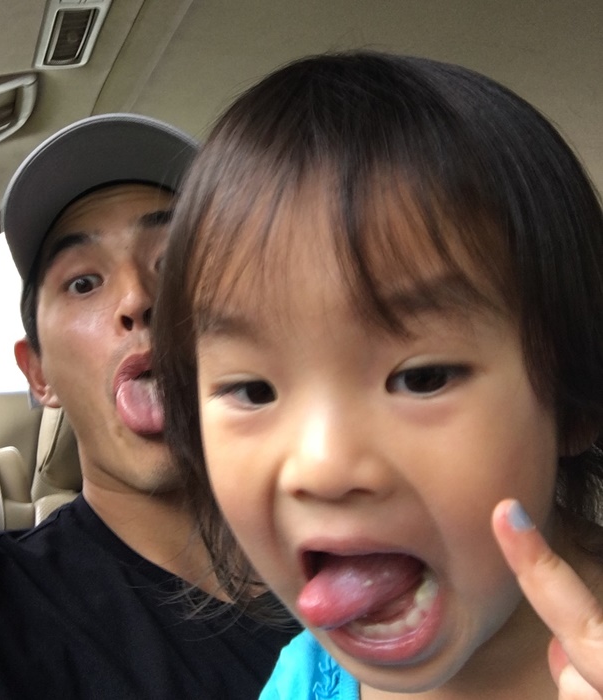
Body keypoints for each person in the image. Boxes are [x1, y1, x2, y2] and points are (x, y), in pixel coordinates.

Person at [153, 53, 603, 699]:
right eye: (252, 391)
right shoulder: (300, 683)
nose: (323, 468)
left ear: (574, 396)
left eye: (423, 378)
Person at [0, 113, 296, 699]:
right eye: (83, 283)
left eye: (175, 263)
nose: (138, 298)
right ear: (39, 374)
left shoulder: (377, 551)